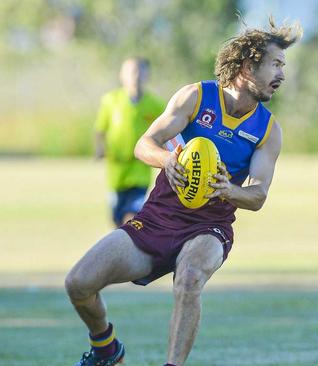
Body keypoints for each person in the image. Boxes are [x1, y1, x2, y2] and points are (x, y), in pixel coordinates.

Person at [66, 19, 302, 366]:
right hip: (157, 219)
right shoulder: (196, 96)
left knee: (189, 278)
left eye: (283, 66)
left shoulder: (268, 129)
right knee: (78, 283)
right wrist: (167, 161)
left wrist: (228, 190)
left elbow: (258, 195)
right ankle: (106, 348)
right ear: (248, 64)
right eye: (276, 64)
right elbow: (144, 144)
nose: (281, 74)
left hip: (209, 227)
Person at [95, 57, 166, 227]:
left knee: (133, 213)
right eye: (131, 71)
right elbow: (100, 129)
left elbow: (165, 131)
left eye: (140, 71)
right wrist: (99, 148)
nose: (136, 76)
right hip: (117, 169)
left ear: (147, 75)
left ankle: (130, 241)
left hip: (139, 169)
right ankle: (122, 241)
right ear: (122, 75)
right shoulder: (110, 100)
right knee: (117, 216)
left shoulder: (155, 104)